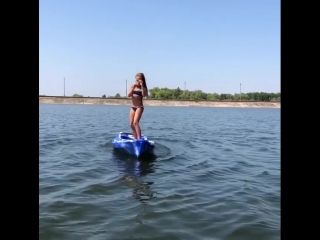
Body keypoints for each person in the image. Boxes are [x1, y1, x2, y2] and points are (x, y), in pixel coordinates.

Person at [127, 73, 148, 139]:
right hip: (133, 107)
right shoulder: (132, 86)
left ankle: (139, 139)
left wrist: (141, 86)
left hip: (139, 107)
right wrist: (133, 88)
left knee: (135, 123)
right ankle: (135, 137)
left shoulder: (143, 88)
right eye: (136, 80)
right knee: (131, 124)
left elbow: (144, 95)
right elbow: (129, 95)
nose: (137, 81)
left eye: (139, 80)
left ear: (142, 80)